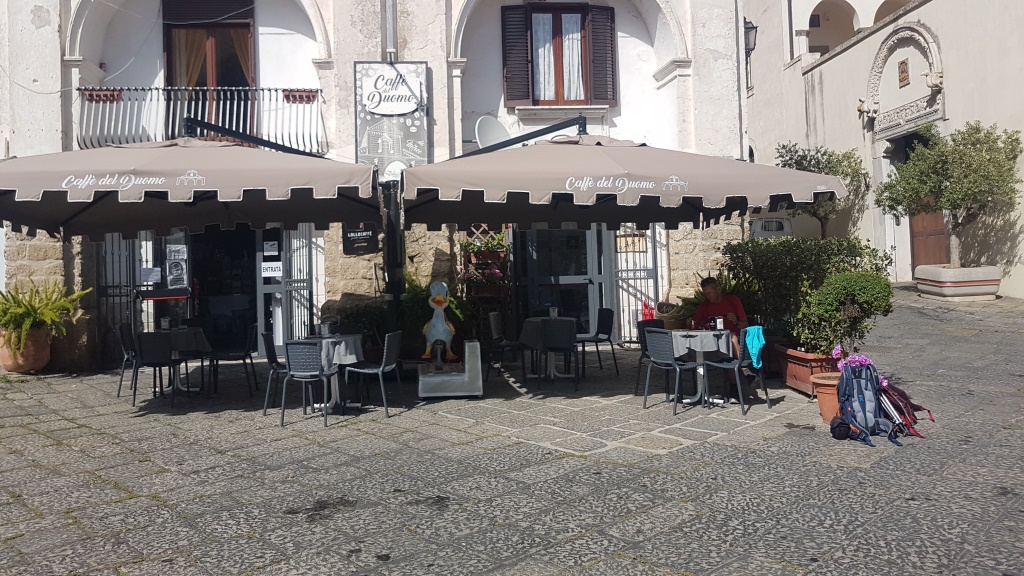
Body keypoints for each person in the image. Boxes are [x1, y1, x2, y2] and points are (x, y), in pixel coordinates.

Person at [692, 276, 754, 403]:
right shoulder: (704, 306)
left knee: (730, 344)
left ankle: (734, 390)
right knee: (729, 347)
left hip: (734, 339)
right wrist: (701, 325)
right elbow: (696, 325)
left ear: (718, 289)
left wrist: (736, 322)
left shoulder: (732, 301)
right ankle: (744, 373)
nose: (708, 296)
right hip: (712, 341)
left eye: (710, 292)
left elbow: (745, 324)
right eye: (705, 293)